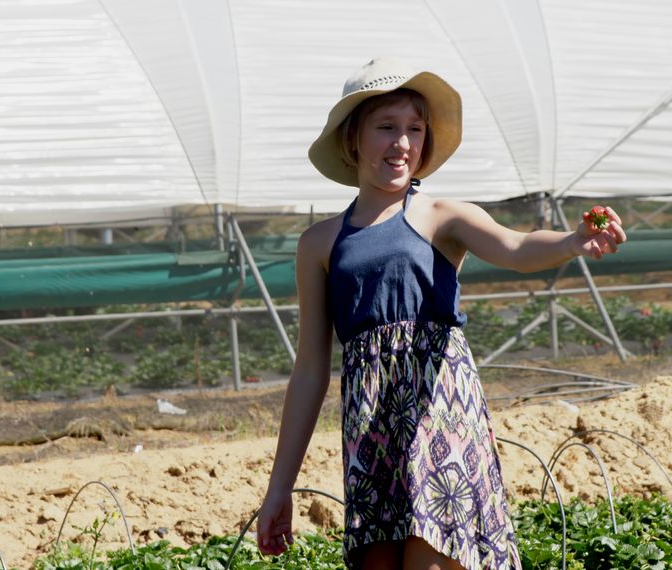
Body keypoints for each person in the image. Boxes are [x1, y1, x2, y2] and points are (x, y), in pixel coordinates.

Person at [256, 57, 626, 570]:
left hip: (440, 417)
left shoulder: (442, 216)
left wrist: (573, 240)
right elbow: (311, 370)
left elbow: (517, 247)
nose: (402, 143)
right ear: (353, 140)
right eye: (386, 128)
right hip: (371, 434)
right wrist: (280, 488)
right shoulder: (319, 243)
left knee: (435, 556)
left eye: (414, 129)